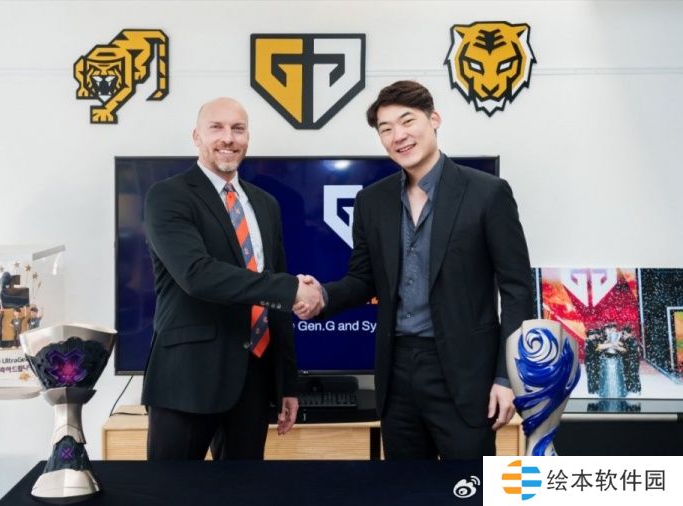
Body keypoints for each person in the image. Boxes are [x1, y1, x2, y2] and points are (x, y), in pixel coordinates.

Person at [295, 80, 533, 459]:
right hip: (397, 372)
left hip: (465, 374)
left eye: (407, 122)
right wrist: (322, 296)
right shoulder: (372, 201)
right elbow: (363, 280)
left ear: (433, 119)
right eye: (386, 129)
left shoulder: (488, 193)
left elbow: (517, 289)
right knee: (404, 485)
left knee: (468, 484)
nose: (398, 136)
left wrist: (507, 377)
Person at [141, 97, 323, 460]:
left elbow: (275, 296)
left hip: (253, 378)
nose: (228, 138)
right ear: (197, 137)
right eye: (217, 128)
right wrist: (291, 289)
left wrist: (286, 382)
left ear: (247, 137)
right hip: (187, 378)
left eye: (238, 129)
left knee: (243, 486)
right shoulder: (168, 196)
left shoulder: (266, 203)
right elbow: (197, 275)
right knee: (169, 487)